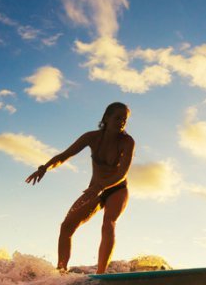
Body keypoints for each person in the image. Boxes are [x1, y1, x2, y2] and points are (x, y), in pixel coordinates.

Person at [25, 102, 134, 274]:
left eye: (124, 119)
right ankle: (61, 271)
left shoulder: (127, 142)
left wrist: (101, 186)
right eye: (117, 117)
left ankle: (101, 274)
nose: (121, 122)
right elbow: (64, 156)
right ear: (106, 118)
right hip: (94, 190)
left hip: (117, 189)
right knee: (67, 227)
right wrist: (44, 167)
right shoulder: (91, 137)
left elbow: (122, 173)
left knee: (108, 223)